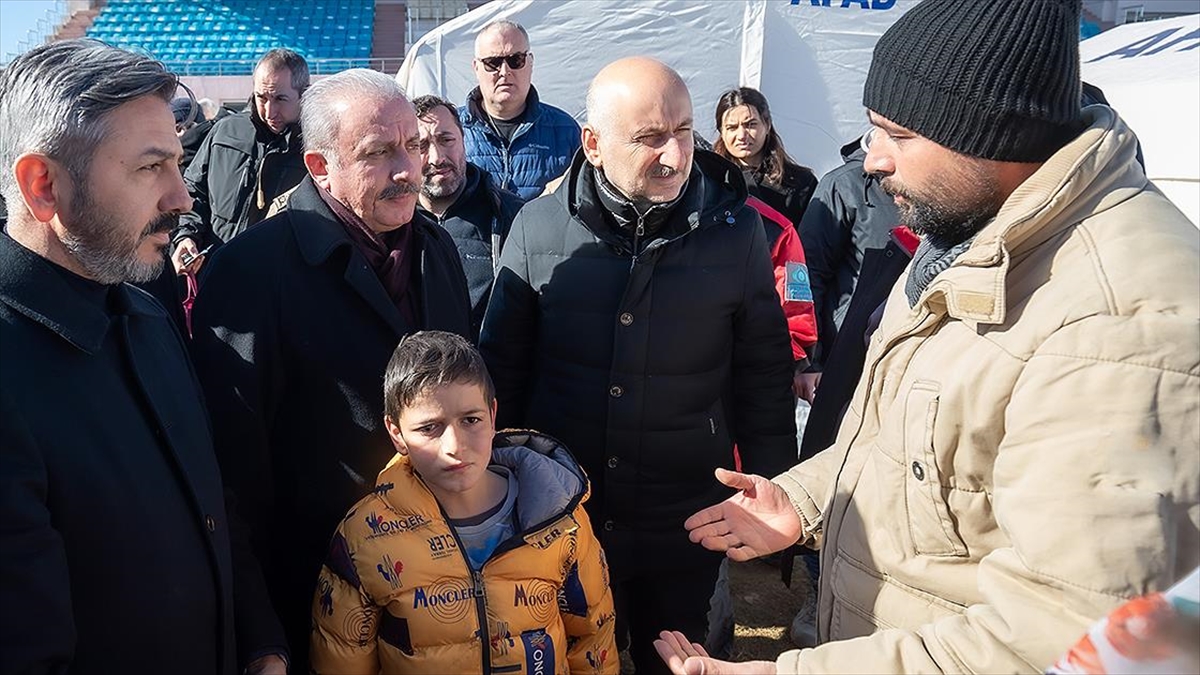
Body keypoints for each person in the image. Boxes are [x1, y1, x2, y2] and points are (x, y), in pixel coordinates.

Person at [663, 0, 1200, 673]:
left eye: (899, 134)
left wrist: (790, 671)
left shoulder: (1117, 327)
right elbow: (907, 440)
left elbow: (1057, 638)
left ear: (991, 133)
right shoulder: (970, 231)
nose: (872, 161)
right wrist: (805, 500)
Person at [480, 56, 797, 674]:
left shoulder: (737, 234)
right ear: (593, 145)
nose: (675, 156)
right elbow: (504, 372)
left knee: (683, 661)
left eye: (682, 131)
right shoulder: (537, 228)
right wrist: (499, 496)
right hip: (565, 516)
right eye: (650, 138)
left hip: (687, 519)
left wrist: (774, 484)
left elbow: (763, 372)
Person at [0, 39, 286, 674]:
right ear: (43, 185)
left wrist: (261, 640)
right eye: (149, 167)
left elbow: (211, 506)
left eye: (178, 165)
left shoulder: (148, 318)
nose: (182, 199)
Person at [189, 68, 473, 671]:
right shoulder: (250, 274)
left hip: (436, 576)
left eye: (414, 147)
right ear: (319, 166)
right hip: (314, 589)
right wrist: (261, 627)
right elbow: (233, 471)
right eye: (378, 153)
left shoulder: (438, 249)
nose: (407, 169)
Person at [310, 330, 618, 673]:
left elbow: (593, 636)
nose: (455, 445)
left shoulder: (561, 518)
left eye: (471, 420)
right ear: (396, 433)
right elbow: (340, 660)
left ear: (493, 414)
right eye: (430, 428)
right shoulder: (363, 536)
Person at [175, 48, 310, 270]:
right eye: (262, 98)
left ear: (303, 94)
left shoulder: (317, 148)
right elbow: (192, 191)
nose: (269, 111)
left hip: (280, 289)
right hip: (215, 275)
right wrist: (186, 236)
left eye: (280, 99)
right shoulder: (224, 131)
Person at [414, 94, 525, 336]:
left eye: (446, 140)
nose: (437, 158)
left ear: (464, 141)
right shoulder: (392, 222)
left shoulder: (511, 216)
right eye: (421, 146)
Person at [459, 20, 581, 200]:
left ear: (530, 62)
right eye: (493, 62)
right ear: (476, 68)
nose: (504, 71)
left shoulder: (565, 129)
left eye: (515, 60)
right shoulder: (452, 130)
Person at [713, 87, 818, 236]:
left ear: (767, 125)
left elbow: (811, 244)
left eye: (751, 124)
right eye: (732, 127)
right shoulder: (708, 181)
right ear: (721, 132)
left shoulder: (801, 183)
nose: (742, 135)